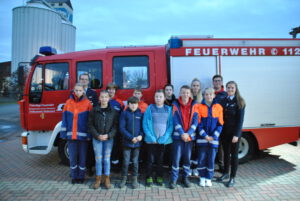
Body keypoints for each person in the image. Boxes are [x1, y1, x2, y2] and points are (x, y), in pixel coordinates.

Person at [60, 83, 92, 184]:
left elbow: (90, 121)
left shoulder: (88, 103)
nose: (78, 92)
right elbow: (64, 119)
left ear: (83, 91)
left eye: (80, 90)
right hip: (71, 136)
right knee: (73, 158)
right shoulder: (68, 103)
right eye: (76, 90)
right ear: (73, 91)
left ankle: (81, 177)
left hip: (83, 137)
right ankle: (74, 176)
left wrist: (89, 134)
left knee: (82, 158)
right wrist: (63, 133)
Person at [88, 90, 119, 189]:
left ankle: (107, 178)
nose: (104, 99)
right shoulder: (94, 110)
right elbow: (90, 125)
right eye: (102, 97)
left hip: (108, 139)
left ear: (109, 98)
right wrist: (97, 135)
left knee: (106, 159)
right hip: (97, 139)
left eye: (106, 97)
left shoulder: (113, 111)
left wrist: (108, 135)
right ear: (99, 99)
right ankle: (98, 178)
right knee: (98, 159)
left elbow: (115, 126)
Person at [217, 81, 245, 187]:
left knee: (234, 156)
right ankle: (225, 173)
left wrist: (236, 135)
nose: (230, 89)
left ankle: (232, 177)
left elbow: (240, 120)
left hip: (234, 134)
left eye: (232, 88)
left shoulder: (240, 102)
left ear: (236, 89)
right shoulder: (223, 101)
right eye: (228, 88)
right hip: (224, 133)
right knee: (226, 155)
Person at [170, 85, 198, 189]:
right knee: (176, 159)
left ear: (190, 94)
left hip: (189, 138)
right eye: (183, 92)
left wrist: (188, 133)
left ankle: (185, 177)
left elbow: (195, 121)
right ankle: (174, 178)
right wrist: (182, 133)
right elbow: (175, 120)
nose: (185, 94)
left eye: (187, 92)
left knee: (187, 159)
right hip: (178, 137)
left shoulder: (194, 105)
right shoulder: (175, 104)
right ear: (180, 93)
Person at [143, 89, 173, 187]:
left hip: (162, 141)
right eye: (156, 96)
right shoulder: (150, 108)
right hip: (152, 141)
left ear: (164, 98)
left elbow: (170, 126)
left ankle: (159, 176)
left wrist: (164, 138)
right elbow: (145, 124)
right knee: (150, 160)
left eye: (160, 97)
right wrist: (151, 137)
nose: (158, 98)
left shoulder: (168, 109)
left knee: (160, 160)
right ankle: (149, 177)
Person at [196, 88, 223, 187]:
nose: (208, 96)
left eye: (210, 94)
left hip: (213, 140)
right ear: (204, 95)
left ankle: (208, 178)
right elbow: (198, 124)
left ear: (214, 95)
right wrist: (205, 135)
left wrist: (214, 136)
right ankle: (202, 178)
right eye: (206, 94)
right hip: (202, 139)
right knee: (202, 159)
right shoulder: (199, 107)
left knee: (211, 160)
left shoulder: (219, 107)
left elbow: (220, 124)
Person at [119, 96, 144, 189]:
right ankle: (124, 178)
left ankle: (134, 179)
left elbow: (142, 128)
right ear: (128, 104)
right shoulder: (124, 114)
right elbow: (122, 128)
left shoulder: (140, 114)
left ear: (138, 104)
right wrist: (130, 137)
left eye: (135, 104)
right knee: (125, 161)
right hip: (127, 142)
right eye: (131, 104)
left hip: (137, 143)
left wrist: (141, 135)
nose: (133, 105)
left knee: (135, 161)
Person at [78, 73, 98, 176]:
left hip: (89, 123)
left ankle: (89, 168)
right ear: (79, 80)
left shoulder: (93, 93)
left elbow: (95, 108)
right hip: (78, 124)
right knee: (79, 147)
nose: (84, 81)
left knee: (89, 147)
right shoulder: (75, 92)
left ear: (88, 81)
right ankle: (79, 168)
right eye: (82, 79)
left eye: (86, 79)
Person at [106, 82, 124, 171]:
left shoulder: (119, 102)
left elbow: (122, 116)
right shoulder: (103, 100)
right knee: (106, 149)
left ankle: (115, 167)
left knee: (116, 148)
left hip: (116, 130)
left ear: (115, 91)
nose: (111, 91)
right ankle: (107, 167)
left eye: (113, 89)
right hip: (105, 130)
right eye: (109, 89)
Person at [212, 74, 227, 173]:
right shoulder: (210, 93)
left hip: (222, 124)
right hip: (212, 124)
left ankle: (222, 166)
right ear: (213, 82)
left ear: (221, 83)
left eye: (219, 81)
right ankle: (211, 165)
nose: (217, 82)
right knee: (212, 145)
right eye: (215, 81)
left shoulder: (225, 95)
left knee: (221, 146)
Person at [190, 78, 202, 177]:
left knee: (198, 148)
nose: (195, 87)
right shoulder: (188, 97)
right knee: (190, 148)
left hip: (199, 127)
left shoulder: (202, 98)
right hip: (189, 127)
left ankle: (195, 167)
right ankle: (190, 167)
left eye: (197, 85)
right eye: (194, 85)